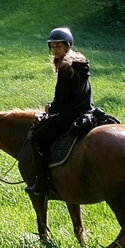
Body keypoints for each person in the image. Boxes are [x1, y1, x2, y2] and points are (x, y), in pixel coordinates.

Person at [25, 27, 94, 195]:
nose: (55, 49)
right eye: (52, 46)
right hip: (88, 111)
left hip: (70, 115)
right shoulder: (80, 62)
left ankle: (43, 185)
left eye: (58, 46)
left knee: (37, 139)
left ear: (67, 46)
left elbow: (62, 99)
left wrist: (51, 107)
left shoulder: (65, 66)